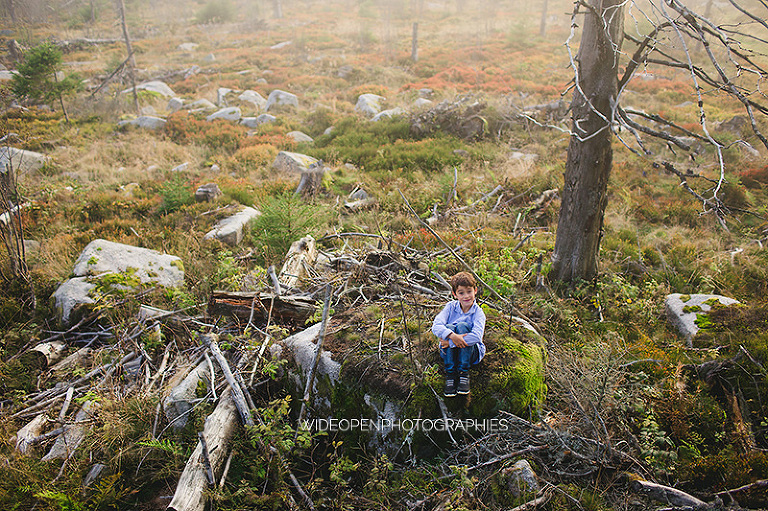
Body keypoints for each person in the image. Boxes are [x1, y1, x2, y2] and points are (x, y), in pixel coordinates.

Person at [431, 272, 486, 397]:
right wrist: (451, 335)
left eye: (469, 291)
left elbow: (477, 336)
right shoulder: (450, 307)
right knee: (449, 328)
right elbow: (436, 326)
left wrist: (450, 342)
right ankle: (450, 374)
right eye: (461, 293)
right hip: (450, 352)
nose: (466, 296)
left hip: (470, 353)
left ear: (475, 291)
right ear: (455, 294)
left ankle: (463, 373)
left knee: (462, 326)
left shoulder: (478, 313)